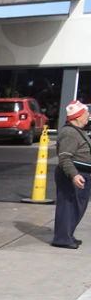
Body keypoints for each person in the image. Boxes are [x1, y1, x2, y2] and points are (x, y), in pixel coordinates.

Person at [52, 100, 91, 249]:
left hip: (81, 174)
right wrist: (74, 175)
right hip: (73, 174)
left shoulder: (77, 131)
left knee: (76, 207)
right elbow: (65, 157)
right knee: (68, 207)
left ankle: (67, 235)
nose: (88, 116)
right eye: (86, 114)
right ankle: (62, 238)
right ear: (77, 116)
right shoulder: (70, 133)